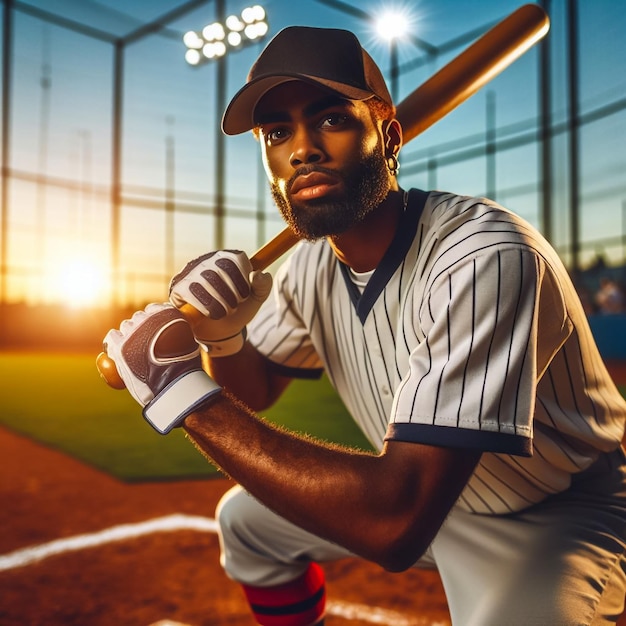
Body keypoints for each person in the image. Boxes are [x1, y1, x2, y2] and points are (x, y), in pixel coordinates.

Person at [103, 26, 626, 626]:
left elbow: (393, 524)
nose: (302, 150)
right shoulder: (308, 265)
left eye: (331, 119)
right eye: (277, 133)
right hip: (430, 497)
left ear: (390, 136)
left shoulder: (485, 255)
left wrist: (182, 396)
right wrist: (224, 336)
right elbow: (254, 389)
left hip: (554, 512)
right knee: (245, 525)